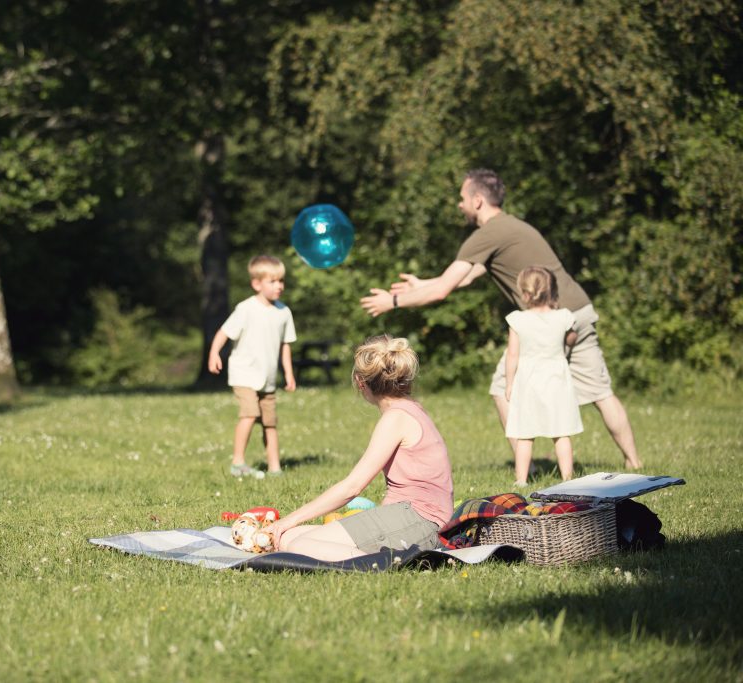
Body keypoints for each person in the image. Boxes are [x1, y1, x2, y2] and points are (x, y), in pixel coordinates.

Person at [359, 168, 643, 470]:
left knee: (502, 388)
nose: (459, 204)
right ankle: (634, 462)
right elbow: (462, 279)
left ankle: (528, 467)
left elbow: (444, 290)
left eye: (462, 198)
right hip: (579, 312)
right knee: (601, 393)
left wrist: (393, 301)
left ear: (478, 200)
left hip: (544, 323)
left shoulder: (486, 234)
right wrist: (423, 283)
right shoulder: (511, 228)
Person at [266, 335, 452, 560]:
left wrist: (289, 518)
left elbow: (352, 487)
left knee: (299, 545)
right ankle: (379, 556)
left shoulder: (396, 418)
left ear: (361, 383)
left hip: (418, 522)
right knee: (288, 538)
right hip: (408, 519)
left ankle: (385, 564)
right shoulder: (410, 409)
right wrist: (287, 526)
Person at [208, 255, 297, 478]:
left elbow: (285, 345)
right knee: (249, 414)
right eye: (273, 281)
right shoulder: (245, 309)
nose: (279, 286)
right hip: (244, 374)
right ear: (257, 284)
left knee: (270, 423)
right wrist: (214, 353)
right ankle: (238, 462)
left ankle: (275, 467)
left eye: (281, 281)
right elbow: (223, 332)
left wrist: (288, 373)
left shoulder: (284, 312)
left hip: (267, 379)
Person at [505, 266, 583, 485]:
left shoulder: (517, 319)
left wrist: (509, 383)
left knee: (524, 432)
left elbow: (513, 355)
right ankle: (568, 478)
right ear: (551, 290)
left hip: (528, 379)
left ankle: (521, 480)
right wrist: (568, 340)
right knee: (562, 431)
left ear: (525, 293)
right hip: (556, 377)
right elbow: (572, 338)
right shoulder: (564, 317)